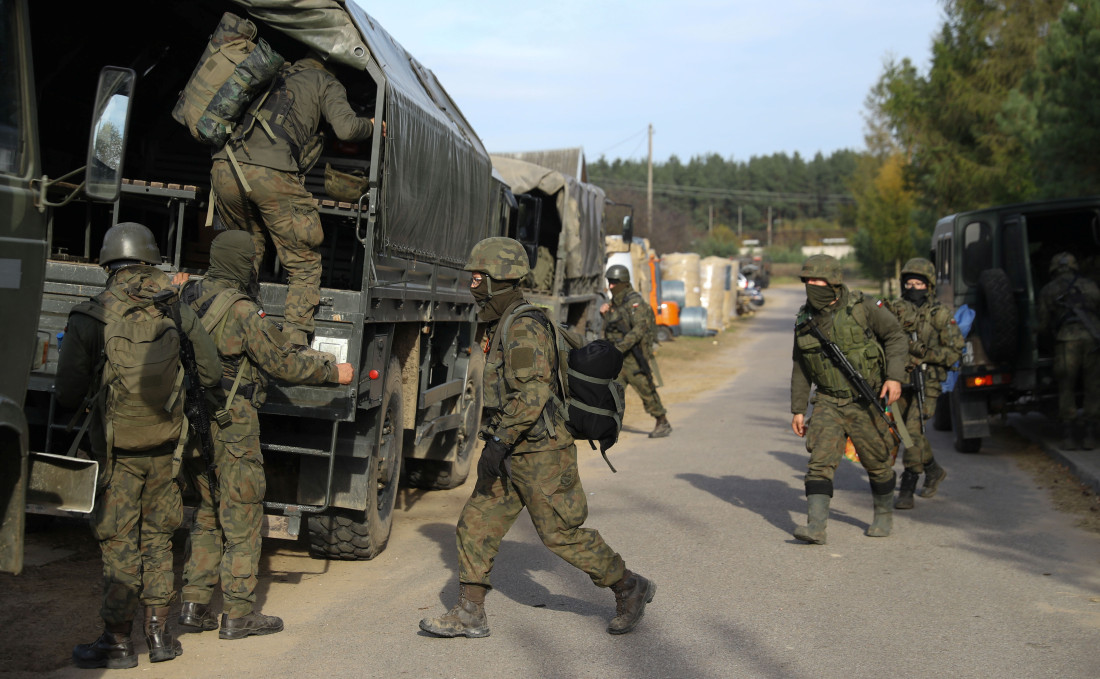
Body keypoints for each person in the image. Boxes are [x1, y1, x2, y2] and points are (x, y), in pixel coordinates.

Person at [419, 237, 655, 638]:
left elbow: (533, 393)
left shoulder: (524, 326)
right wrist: (500, 444)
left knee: (560, 535)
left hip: (542, 453)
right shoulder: (501, 322)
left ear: (500, 281)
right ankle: (470, 613)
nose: (472, 285)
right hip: (512, 449)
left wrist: (497, 443)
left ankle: (630, 586)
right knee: (475, 524)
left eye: (479, 278)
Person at [176, 230, 354, 640]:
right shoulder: (240, 311)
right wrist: (333, 371)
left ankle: (193, 604)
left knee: (205, 512)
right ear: (243, 264)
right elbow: (282, 363)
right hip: (232, 425)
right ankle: (238, 614)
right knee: (242, 515)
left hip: (192, 421)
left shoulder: (187, 297)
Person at [58, 222, 221, 669]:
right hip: (167, 451)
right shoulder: (175, 308)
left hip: (116, 455)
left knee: (118, 544)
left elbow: (67, 392)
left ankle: (117, 641)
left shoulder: (92, 314)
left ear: (110, 263)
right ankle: (160, 636)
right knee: (158, 541)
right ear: (150, 260)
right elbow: (209, 373)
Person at [210, 50, 379, 346]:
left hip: (225, 168)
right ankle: (293, 345)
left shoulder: (273, 71)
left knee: (245, 252)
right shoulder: (327, 82)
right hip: (270, 173)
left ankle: (229, 330)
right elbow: (346, 128)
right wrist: (374, 126)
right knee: (304, 263)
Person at [790, 254, 908, 544]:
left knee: (877, 461)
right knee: (819, 463)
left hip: (865, 400)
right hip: (828, 402)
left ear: (833, 281)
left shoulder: (863, 307)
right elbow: (800, 367)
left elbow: (895, 336)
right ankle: (815, 527)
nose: (812, 286)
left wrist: (894, 377)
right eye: (808, 281)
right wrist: (798, 409)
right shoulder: (805, 319)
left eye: (817, 280)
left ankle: (883, 515)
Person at [884, 258, 964, 509]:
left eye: (919, 283)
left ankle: (908, 485)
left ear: (928, 286)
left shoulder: (940, 314)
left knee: (913, 431)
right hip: (898, 380)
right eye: (909, 283)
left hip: (927, 383)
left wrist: (924, 355)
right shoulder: (894, 309)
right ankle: (933, 470)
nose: (913, 287)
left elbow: (955, 353)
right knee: (905, 432)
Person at [1037, 252, 1100, 450]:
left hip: (1066, 341)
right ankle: (1091, 434)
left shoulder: (1048, 290)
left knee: (1066, 387)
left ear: (1054, 269)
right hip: (1092, 339)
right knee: (1093, 386)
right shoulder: (1090, 285)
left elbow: (1043, 325)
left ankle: (1069, 435)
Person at [600, 264, 672, 438]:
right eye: (609, 282)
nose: (610, 286)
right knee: (612, 393)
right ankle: (609, 426)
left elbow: (639, 330)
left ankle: (662, 421)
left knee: (646, 391)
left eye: (614, 283)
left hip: (633, 358)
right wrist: (605, 315)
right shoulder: (615, 304)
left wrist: (619, 348)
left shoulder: (634, 303)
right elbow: (612, 327)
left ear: (624, 283)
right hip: (619, 359)